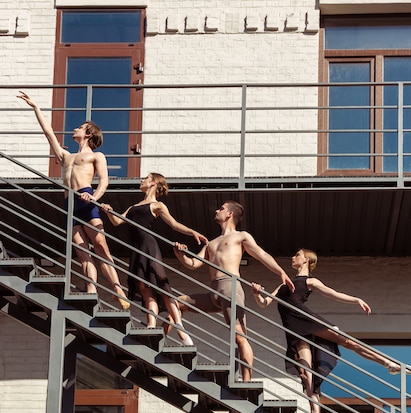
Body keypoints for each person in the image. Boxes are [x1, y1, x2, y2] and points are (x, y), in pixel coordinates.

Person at [252, 248, 401, 413]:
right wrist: (256, 293)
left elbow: (334, 294)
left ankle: (388, 363)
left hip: (307, 320)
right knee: (305, 371)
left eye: (297, 255)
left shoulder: (310, 281)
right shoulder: (283, 284)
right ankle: (314, 411)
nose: (293, 257)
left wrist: (356, 300)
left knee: (348, 342)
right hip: (293, 328)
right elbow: (264, 303)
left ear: (306, 260)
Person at [16, 91, 129, 310]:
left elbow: (104, 181)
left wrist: (94, 196)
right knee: (81, 251)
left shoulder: (97, 156)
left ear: (88, 134)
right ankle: (91, 290)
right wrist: (36, 107)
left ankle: (118, 290)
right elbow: (48, 132)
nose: (75, 129)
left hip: (87, 199)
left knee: (100, 246)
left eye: (80, 127)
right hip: (70, 204)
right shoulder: (65, 157)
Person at [172, 201, 295, 382]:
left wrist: (281, 272)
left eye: (221, 208)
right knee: (176, 302)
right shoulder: (210, 243)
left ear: (229, 214)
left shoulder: (241, 236)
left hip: (230, 287)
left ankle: (246, 382)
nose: (216, 210)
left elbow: (262, 255)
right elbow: (193, 264)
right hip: (213, 291)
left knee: (239, 337)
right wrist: (179, 253)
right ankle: (181, 339)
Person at [101, 173, 208, 346]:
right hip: (136, 249)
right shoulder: (134, 206)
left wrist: (192, 232)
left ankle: (181, 330)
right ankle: (151, 325)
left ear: (153, 184)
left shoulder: (157, 205)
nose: (141, 180)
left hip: (149, 246)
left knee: (162, 287)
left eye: (145, 178)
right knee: (144, 288)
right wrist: (108, 211)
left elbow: (174, 224)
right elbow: (116, 222)